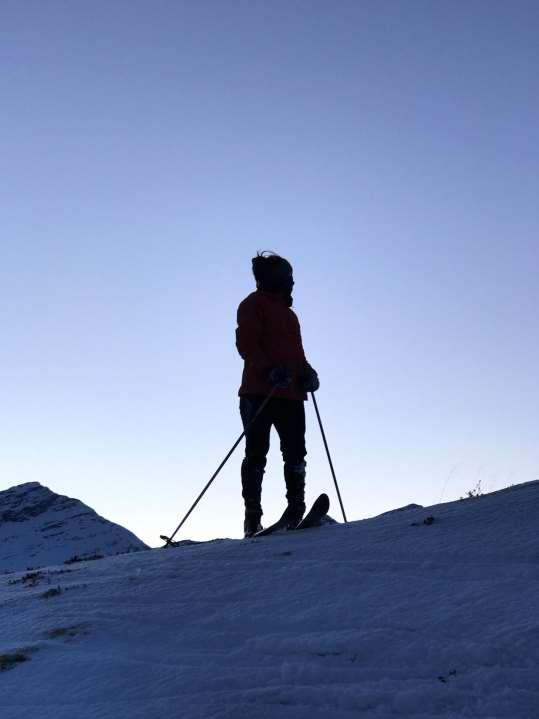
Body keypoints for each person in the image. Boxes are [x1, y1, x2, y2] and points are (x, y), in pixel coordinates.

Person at [235, 251, 320, 537]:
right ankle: (252, 518)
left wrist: (307, 372)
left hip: (292, 393)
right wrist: (268, 370)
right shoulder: (252, 305)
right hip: (260, 391)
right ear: (275, 279)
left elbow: (296, 354)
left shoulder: (289, 315)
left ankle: (295, 507)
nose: (292, 282)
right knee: (256, 452)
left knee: (295, 452)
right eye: (288, 277)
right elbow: (247, 344)